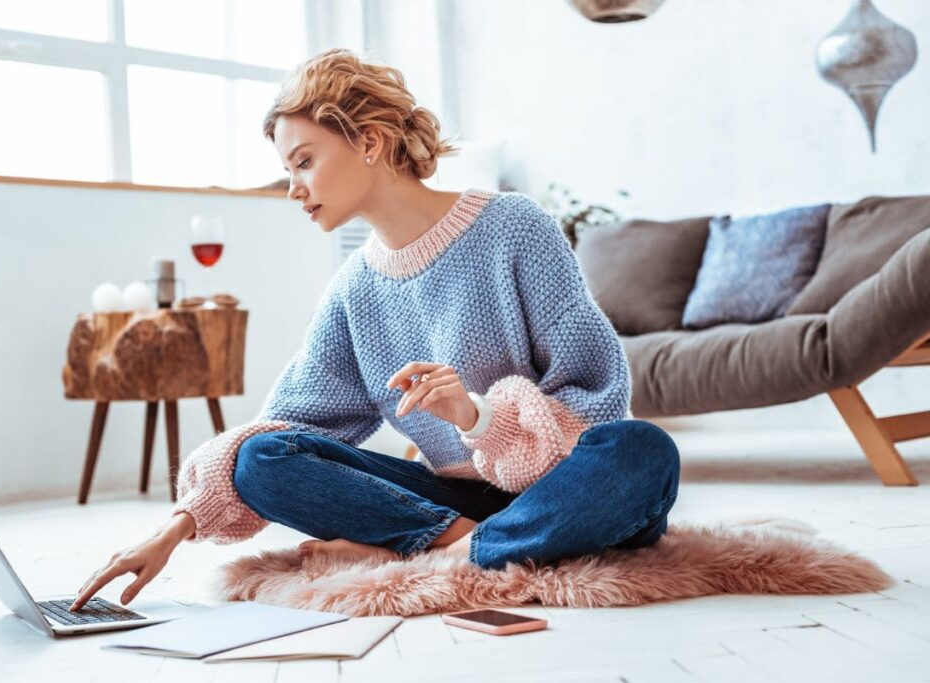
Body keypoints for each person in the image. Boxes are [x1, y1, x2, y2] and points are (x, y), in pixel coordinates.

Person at [70, 48, 680, 612]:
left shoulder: (514, 227)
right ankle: (461, 544)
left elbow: (598, 400)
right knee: (259, 458)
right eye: (288, 170)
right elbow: (284, 429)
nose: (293, 189)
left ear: (368, 140)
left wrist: (478, 418)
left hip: (566, 486)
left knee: (643, 452)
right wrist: (174, 528)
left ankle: (441, 557)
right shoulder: (353, 289)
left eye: (304, 161)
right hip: (454, 504)